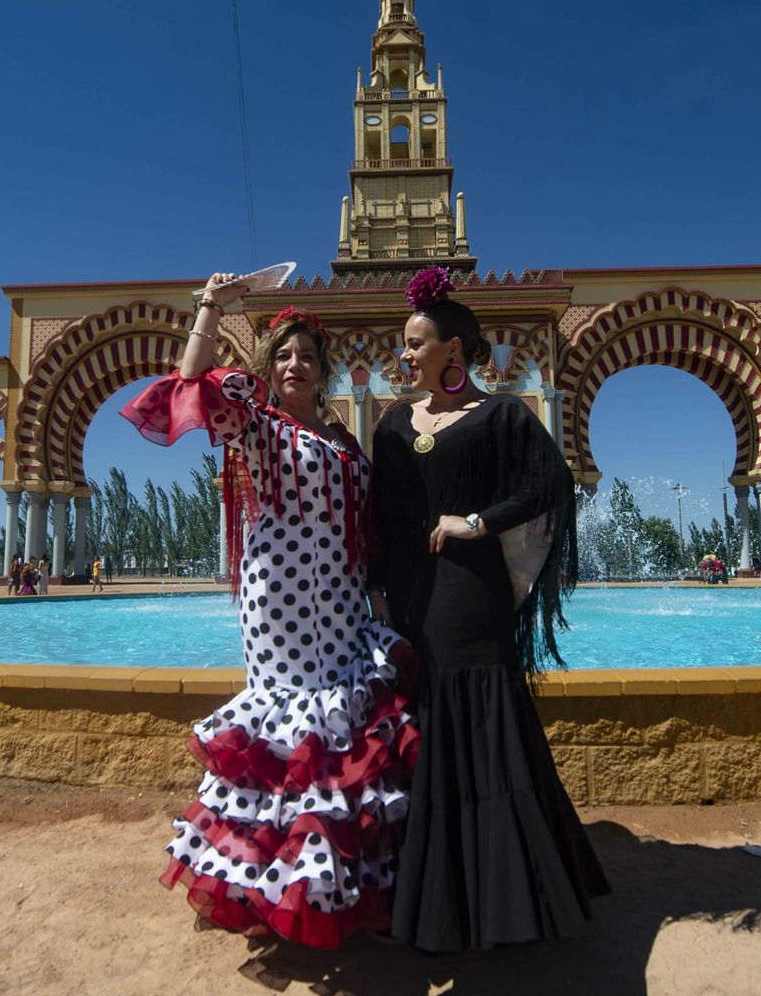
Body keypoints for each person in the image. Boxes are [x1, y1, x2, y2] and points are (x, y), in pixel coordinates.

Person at [121, 272, 416, 949]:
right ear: (268, 364)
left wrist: (377, 595)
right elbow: (186, 384)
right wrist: (209, 306)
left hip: (340, 595)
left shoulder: (342, 436)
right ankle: (276, 885)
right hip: (278, 595)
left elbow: (365, 526)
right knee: (290, 728)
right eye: (283, 354)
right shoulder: (257, 421)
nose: (294, 365)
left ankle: (344, 878)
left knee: (340, 724)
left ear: (323, 367)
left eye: (307, 355)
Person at [371, 267, 609, 953]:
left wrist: (476, 520)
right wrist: (380, 592)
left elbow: (551, 486)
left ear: (453, 350)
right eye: (405, 345)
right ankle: (429, 895)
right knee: (424, 726)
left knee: (477, 724)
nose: (406, 356)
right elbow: (384, 520)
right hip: (412, 599)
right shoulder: (392, 425)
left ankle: (501, 899)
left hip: (470, 598)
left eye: (417, 344)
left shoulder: (500, 415)